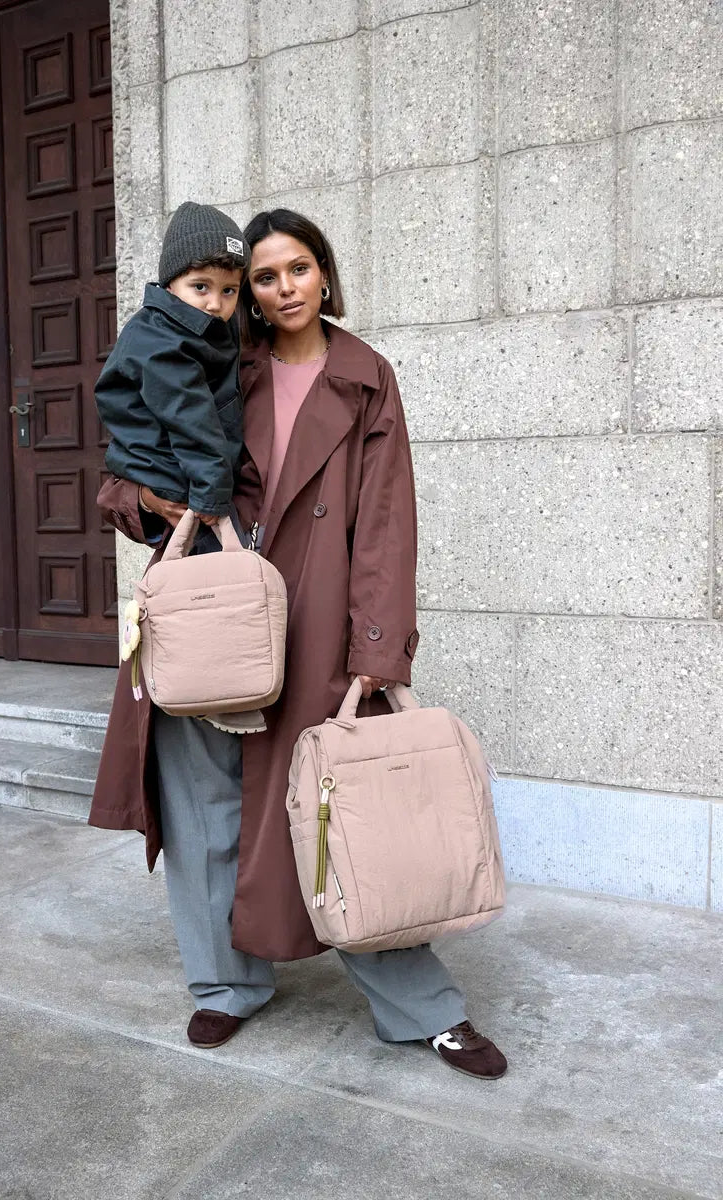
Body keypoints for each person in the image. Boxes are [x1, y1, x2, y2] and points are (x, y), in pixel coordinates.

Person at [90, 209, 508, 1082]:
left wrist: (377, 649)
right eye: (265, 275)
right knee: (203, 808)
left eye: (299, 269)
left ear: (325, 274)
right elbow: (125, 472)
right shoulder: (211, 353)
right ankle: (225, 986)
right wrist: (151, 503)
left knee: (344, 817)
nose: (283, 289)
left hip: (313, 622)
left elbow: (386, 522)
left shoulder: (364, 377)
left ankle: (424, 1008)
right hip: (211, 615)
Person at [96, 200, 248, 534]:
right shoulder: (162, 340)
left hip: (186, 470)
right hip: (170, 475)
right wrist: (211, 495)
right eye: (200, 287)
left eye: (229, 290)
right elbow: (190, 417)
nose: (215, 303)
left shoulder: (199, 330)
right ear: (170, 284)